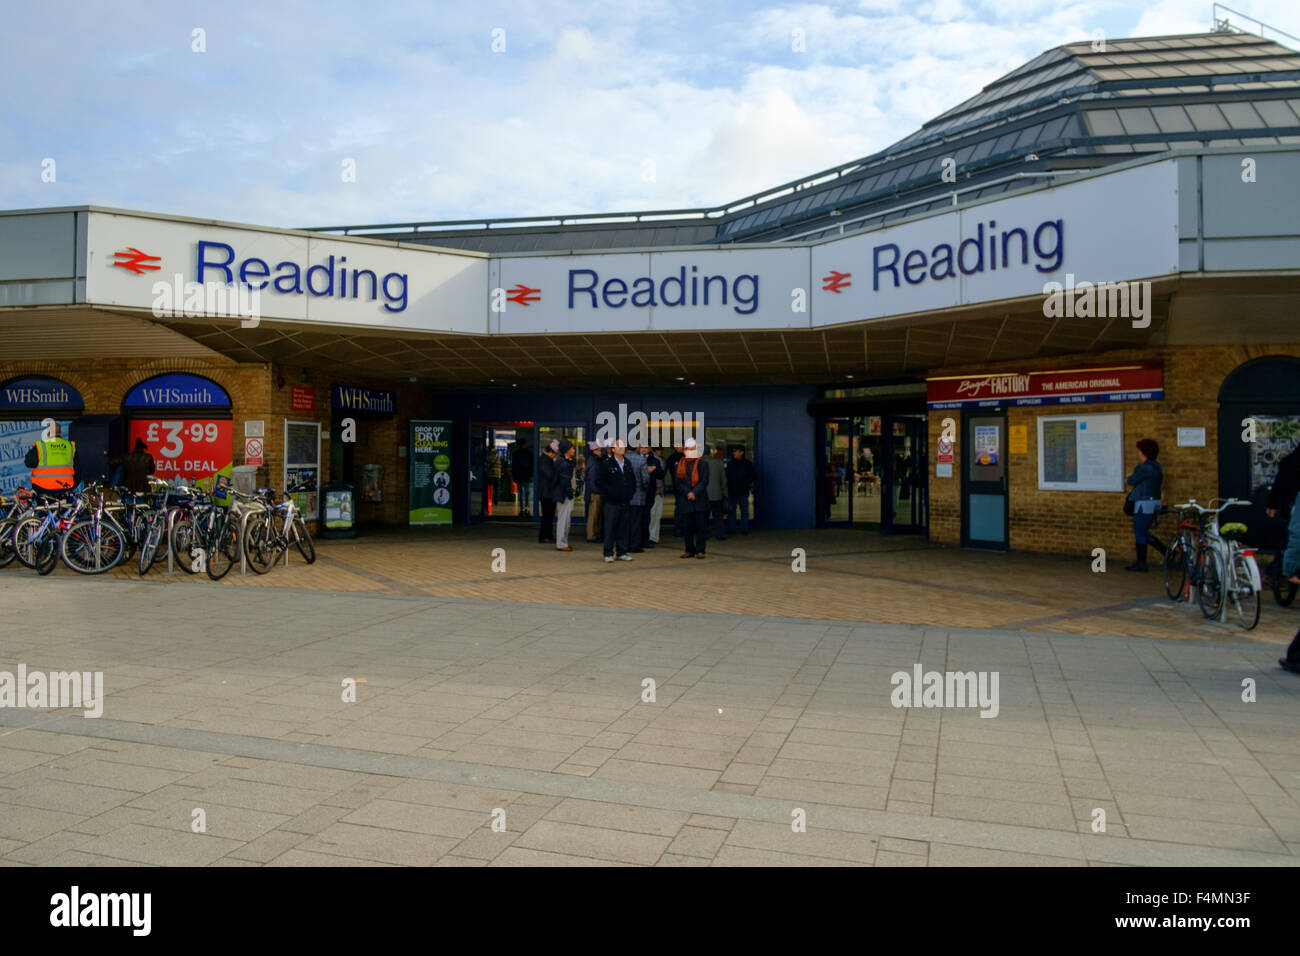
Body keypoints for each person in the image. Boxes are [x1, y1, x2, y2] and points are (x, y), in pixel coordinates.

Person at [1124, 437, 1165, 572]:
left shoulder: (1144, 467)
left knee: (1139, 533)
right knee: (1143, 532)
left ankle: (1142, 563)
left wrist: (1127, 479)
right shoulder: (1157, 467)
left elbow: (1132, 480)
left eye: (1139, 451)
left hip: (1144, 504)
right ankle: (1167, 552)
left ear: (1143, 452)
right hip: (1155, 502)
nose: (1138, 453)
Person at [596, 439, 637, 562]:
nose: (622, 448)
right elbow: (599, 482)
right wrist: (609, 492)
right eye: (618, 446)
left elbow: (632, 480)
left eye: (623, 446)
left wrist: (631, 492)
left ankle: (622, 552)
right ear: (612, 449)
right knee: (609, 528)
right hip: (611, 502)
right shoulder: (606, 463)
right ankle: (608, 553)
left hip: (625, 501)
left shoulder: (628, 463)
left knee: (623, 528)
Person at [674, 437, 710, 558]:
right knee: (687, 527)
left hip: (699, 499)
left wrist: (694, 492)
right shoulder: (679, 465)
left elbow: (704, 481)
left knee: (701, 527)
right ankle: (689, 549)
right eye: (688, 449)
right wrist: (688, 493)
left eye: (693, 449)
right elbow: (678, 483)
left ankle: (700, 550)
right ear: (684, 451)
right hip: (686, 500)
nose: (691, 451)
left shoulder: (703, 464)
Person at [24, 422, 78, 493]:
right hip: (65, 489)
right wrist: (72, 486)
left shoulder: (42, 446)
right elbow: (78, 469)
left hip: (43, 489)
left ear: (48, 432)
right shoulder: (70, 446)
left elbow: (29, 462)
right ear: (60, 432)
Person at [725, 445, 755, 535]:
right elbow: (726, 477)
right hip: (732, 491)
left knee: (744, 511)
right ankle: (731, 528)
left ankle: (744, 529)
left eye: (736, 451)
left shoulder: (747, 464)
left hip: (743, 491)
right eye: (734, 451)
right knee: (731, 511)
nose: (734, 453)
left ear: (741, 452)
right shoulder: (729, 464)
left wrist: (746, 484)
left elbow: (753, 476)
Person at [552, 439, 576, 551]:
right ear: (567, 450)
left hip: (562, 494)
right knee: (564, 520)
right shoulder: (564, 463)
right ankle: (561, 543)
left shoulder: (563, 461)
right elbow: (565, 481)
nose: (574, 450)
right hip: (564, 495)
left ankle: (563, 542)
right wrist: (570, 494)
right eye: (571, 448)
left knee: (565, 520)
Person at [626, 442, 650, 553]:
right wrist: (646, 488)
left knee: (626, 521)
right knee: (636, 522)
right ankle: (634, 545)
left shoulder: (623, 459)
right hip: (638, 495)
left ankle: (625, 544)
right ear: (637, 447)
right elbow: (645, 479)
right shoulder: (641, 460)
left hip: (625, 496)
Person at [641, 444, 663, 548]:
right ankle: (636, 539)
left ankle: (647, 539)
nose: (644, 449)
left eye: (646, 447)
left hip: (650, 492)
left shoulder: (655, 460)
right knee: (636, 517)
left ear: (650, 448)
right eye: (642, 447)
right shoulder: (633, 458)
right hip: (637, 492)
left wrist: (654, 470)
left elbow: (661, 475)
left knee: (648, 516)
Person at [537, 440, 558, 543]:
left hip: (548, 492)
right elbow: (549, 475)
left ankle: (548, 535)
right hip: (546, 493)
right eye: (555, 454)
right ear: (551, 452)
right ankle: (545, 536)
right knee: (547, 516)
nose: (555, 456)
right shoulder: (544, 460)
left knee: (549, 516)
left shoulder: (546, 460)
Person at [585, 440, 605, 542]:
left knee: (595, 514)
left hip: (595, 491)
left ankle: (593, 534)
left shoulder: (594, 460)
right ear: (593, 451)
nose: (601, 452)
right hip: (595, 492)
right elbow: (592, 479)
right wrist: (596, 491)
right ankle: (591, 535)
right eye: (599, 450)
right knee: (593, 515)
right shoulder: (593, 462)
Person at [707, 444, 727, 541]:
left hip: (703, 494)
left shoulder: (699, 463)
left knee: (703, 516)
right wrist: (725, 492)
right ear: (711, 451)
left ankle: (705, 534)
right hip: (716, 494)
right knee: (718, 515)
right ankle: (720, 534)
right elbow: (723, 480)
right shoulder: (719, 463)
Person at [512, 438, 534, 518]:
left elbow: (513, 466)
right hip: (527, 476)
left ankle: (521, 509)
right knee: (527, 493)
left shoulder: (516, 454)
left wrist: (514, 477)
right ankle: (527, 508)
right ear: (525, 444)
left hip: (519, 476)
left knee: (521, 493)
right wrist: (531, 475)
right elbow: (532, 465)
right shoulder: (529, 453)